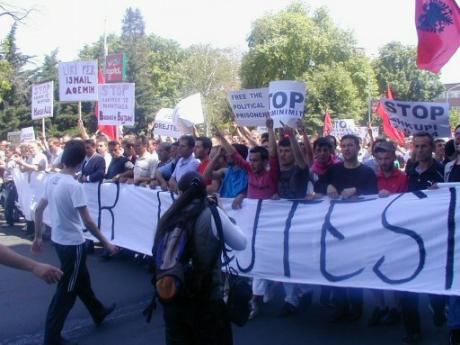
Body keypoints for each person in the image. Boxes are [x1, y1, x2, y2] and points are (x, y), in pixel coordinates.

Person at [32, 139, 118, 345]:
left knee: (81, 280)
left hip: (59, 241)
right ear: (81, 162)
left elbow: (38, 209)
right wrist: (106, 243)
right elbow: (88, 221)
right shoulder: (74, 186)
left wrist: (37, 236)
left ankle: (98, 312)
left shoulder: (52, 180)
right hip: (73, 244)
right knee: (67, 291)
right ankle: (52, 337)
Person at [154, 172, 246, 345]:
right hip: (206, 300)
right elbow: (241, 243)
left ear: (180, 192)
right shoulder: (212, 213)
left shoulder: (169, 216)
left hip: (174, 297)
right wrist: (223, 213)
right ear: (205, 191)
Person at [326, 134, 378, 322]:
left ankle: (357, 306)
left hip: (357, 228)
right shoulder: (333, 170)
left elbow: (374, 196)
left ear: (358, 148)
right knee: (337, 266)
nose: (347, 148)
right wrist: (328, 186)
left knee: (355, 267)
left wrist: (358, 191)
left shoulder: (367, 172)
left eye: (350, 145)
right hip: (335, 227)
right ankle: (341, 306)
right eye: (344, 145)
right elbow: (319, 185)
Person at [402, 132, 445, 345]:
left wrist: (441, 192)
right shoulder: (409, 171)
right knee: (406, 285)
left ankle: (438, 307)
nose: (420, 150)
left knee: (433, 282)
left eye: (424, 146)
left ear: (432, 148)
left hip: (434, 237)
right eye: (416, 146)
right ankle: (413, 330)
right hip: (409, 237)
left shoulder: (442, 173)